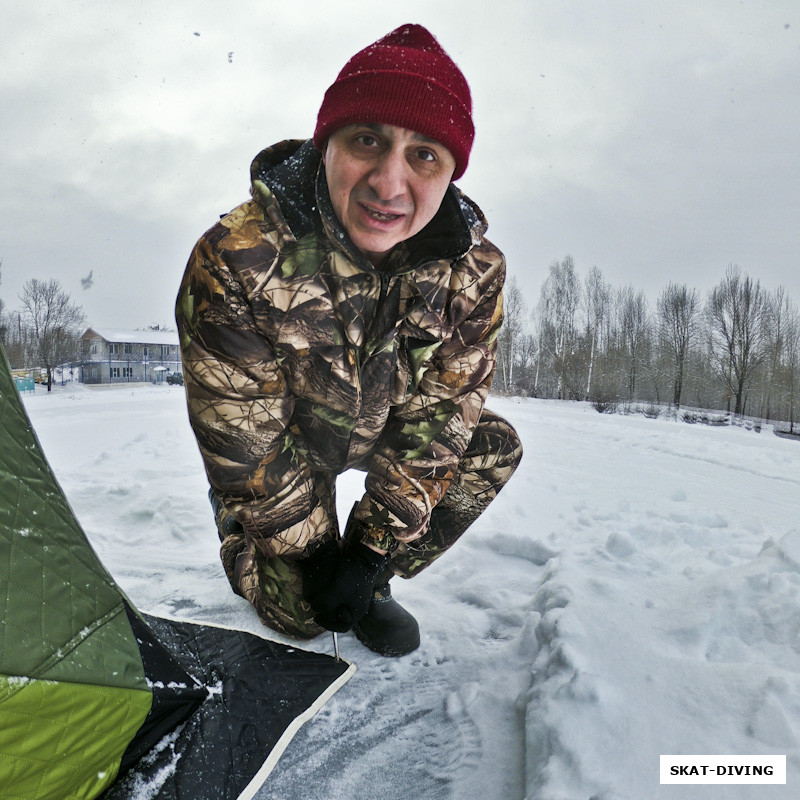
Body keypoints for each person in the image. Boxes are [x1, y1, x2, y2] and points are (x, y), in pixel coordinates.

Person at [175, 23, 523, 657]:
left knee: (492, 446)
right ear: (326, 144)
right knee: (301, 618)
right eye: (368, 141)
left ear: (451, 173)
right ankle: (242, 532)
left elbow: (443, 417)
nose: (390, 185)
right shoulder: (236, 258)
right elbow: (246, 438)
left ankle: (370, 580)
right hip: (289, 443)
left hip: (380, 429)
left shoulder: (475, 274)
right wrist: (310, 556)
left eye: (424, 155)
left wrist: (366, 558)